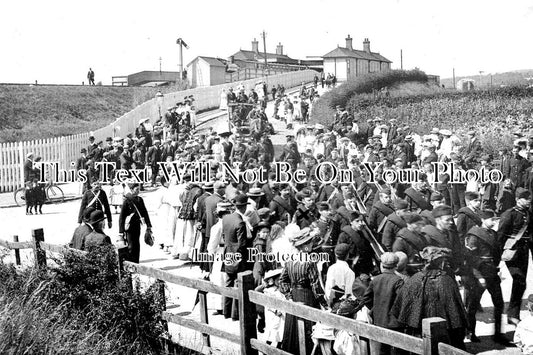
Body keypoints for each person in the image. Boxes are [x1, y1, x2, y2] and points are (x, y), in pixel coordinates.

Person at [392, 246, 468, 350]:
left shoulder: (414, 280)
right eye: (443, 261)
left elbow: (399, 311)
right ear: (439, 262)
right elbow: (457, 313)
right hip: (445, 335)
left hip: (419, 335)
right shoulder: (447, 280)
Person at [279, 228, 327, 354]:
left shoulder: (289, 261)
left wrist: (288, 295)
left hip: (295, 296)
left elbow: (282, 281)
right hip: (307, 297)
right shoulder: (310, 262)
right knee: (309, 326)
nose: (312, 245)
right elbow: (316, 287)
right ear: (305, 246)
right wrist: (325, 304)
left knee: (293, 327)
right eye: (310, 242)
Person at [498, 188, 533, 325]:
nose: (529, 200)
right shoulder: (509, 214)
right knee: (519, 281)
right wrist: (497, 257)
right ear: (518, 200)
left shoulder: (528, 213)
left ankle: (513, 314)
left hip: (524, 252)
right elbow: (500, 236)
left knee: (521, 283)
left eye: (529, 198)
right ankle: (512, 315)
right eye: (526, 198)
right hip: (511, 252)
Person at [360, 252, 405, 355]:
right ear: (396, 266)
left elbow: (366, 298)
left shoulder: (375, 280)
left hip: (379, 321)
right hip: (394, 324)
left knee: (382, 350)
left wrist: (376, 308)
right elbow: (402, 301)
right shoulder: (398, 281)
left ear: (382, 265)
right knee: (396, 351)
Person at [221, 193, 252, 320]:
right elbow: (242, 244)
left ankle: (226, 311)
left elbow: (224, 236)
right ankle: (235, 314)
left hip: (228, 252)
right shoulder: (240, 222)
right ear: (244, 207)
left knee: (228, 282)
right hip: (238, 256)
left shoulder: (226, 218)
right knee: (238, 283)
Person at [118, 183, 152, 263]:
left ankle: (136, 262)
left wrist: (148, 225)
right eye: (136, 190)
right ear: (132, 190)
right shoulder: (127, 201)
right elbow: (122, 217)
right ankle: (130, 262)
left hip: (137, 226)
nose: (138, 192)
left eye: (139, 190)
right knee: (131, 245)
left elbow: (144, 212)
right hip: (129, 227)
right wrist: (121, 231)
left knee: (137, 244)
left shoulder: (140, 200)